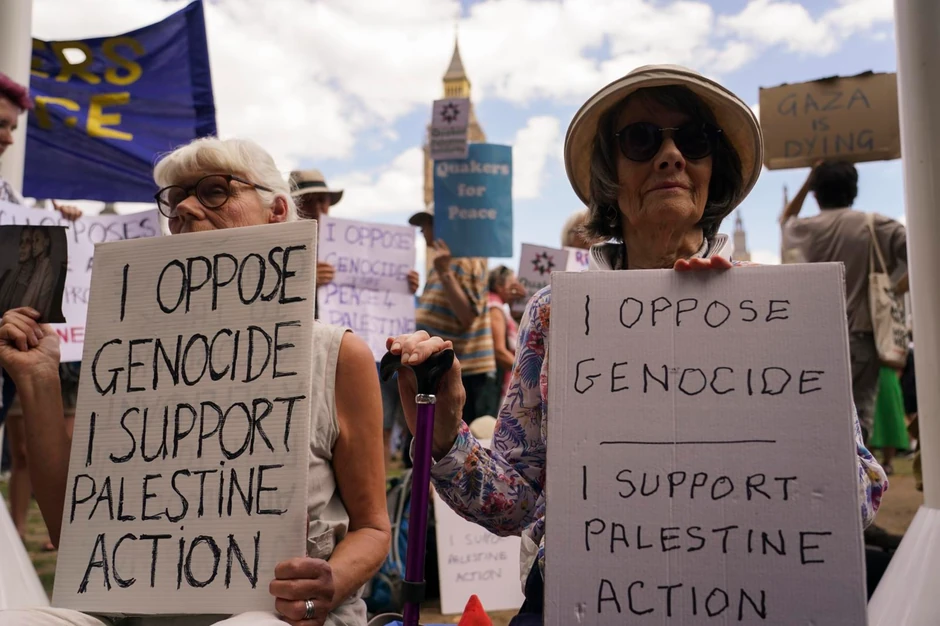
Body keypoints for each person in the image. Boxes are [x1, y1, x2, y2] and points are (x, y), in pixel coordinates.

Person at [387, 65, 888, 622]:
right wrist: (445, 434)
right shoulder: (558, 313)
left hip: (747, 597)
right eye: (642, 139)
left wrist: (747, 361)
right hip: (586, 600)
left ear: (710, 170)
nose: (670, 156)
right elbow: (515, 503)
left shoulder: (776, 311)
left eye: (693, 140)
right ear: (610, 177)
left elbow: (862, 493)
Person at [0, 137, 391, 626]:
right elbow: (71, 528)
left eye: (213, 191)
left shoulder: (336, 353)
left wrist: (328, 583)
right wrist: (39, 383)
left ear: (275, 211)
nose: (183, 207)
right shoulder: (128, 353)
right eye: (174, 197)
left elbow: (374, 527)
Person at [0, 72, 82, 553]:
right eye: (2, 124)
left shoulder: (8, 201)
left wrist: (58, 223)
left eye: (12, 127)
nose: (9, 137)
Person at [781, 160, 908, 444]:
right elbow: (922, 251)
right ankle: (856, 482)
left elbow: (785, 219)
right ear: (854, 190)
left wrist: (809, 177)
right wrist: (897, 289)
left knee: (817, 414)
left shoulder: (802, 229)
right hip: (861, 336)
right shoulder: (875, 225)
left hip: (812, 338)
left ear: (815, 193)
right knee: (859, 417)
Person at [408, 204, 498, 425]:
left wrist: (445, 272)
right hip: (450, 370)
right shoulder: (441, 264)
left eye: (426, 223)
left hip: (467, 373)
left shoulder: (467, 259)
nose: (421, 230)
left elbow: (468, 317)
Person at [289, 168, 344, 290]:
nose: (316, 208)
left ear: (328, 203)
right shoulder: (280, 244)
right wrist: (305, 280)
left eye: (321, 200)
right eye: (307, 201)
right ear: (292, 205)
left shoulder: (345, 244)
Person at [486, 266, 524, 400]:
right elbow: (499, 351)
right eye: (512, 284)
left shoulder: (494, 304)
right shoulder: (495, 307)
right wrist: (525, 371)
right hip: (491, 380)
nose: (516, 289)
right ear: (499, 286)